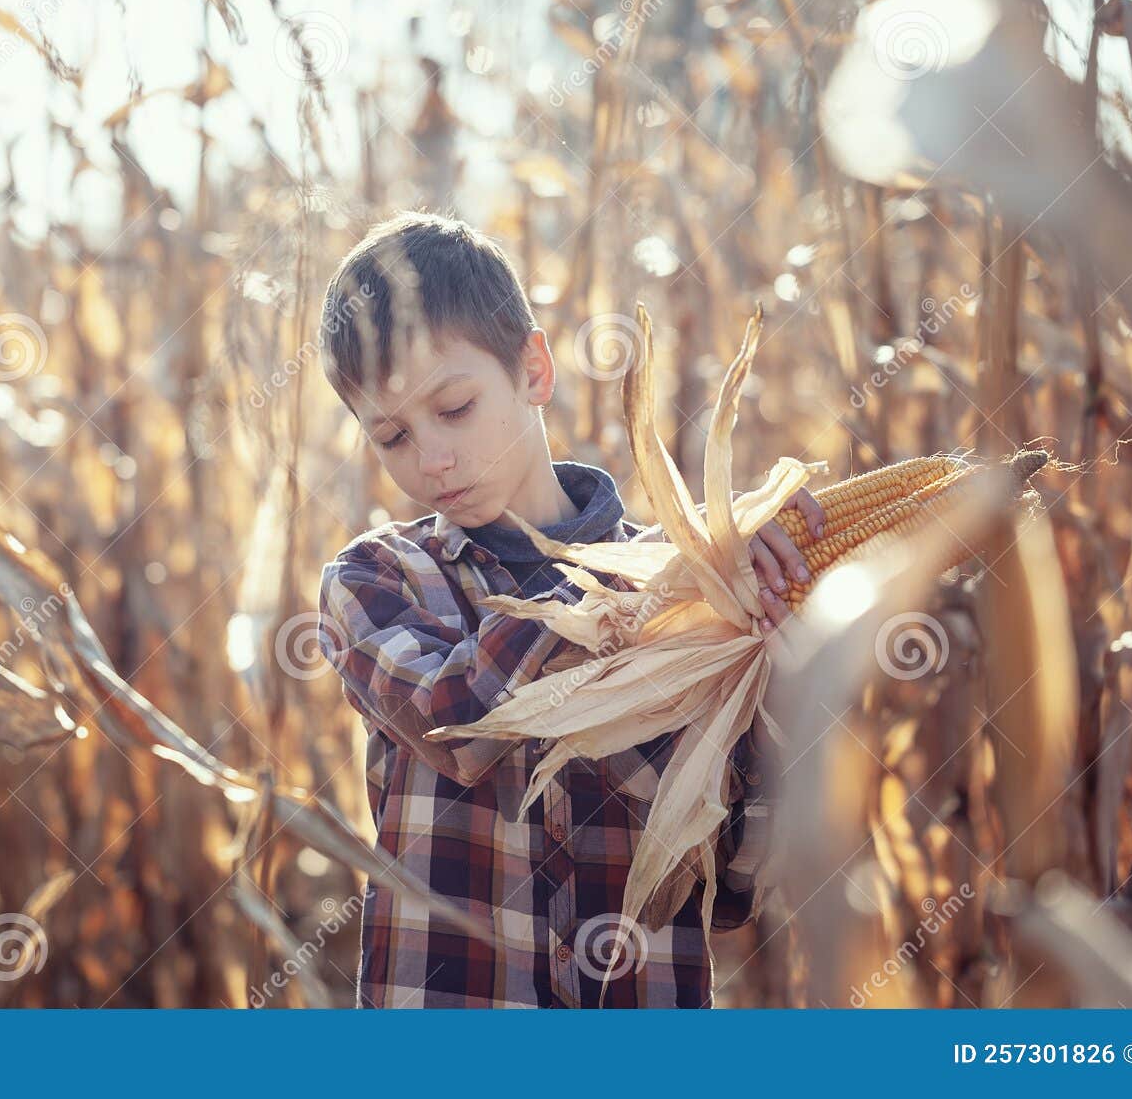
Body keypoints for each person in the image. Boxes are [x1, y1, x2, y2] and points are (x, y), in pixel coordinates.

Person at [314, 211, 823, 1007]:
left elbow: (733, 890)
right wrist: (639, 584)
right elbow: (456, 723)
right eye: (392, 436)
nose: (433, 458)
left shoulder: (694, 597)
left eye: (453, 409)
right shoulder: (377, 579)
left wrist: (780, 675)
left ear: (534, 370)